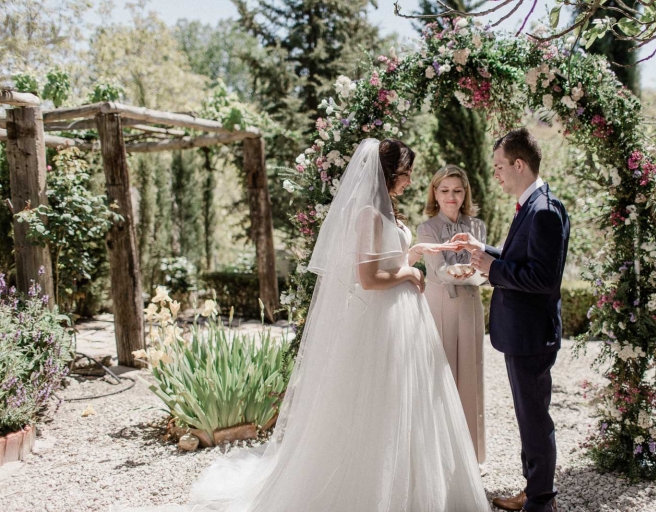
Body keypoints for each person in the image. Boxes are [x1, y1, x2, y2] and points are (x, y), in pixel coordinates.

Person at [115, 139, 490, 512]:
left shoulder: (389, 213)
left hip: (404, 318)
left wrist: (415, 254)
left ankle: (413, 484)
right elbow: (369, 278)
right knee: (379, 400)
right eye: (405, 174)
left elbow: (389, 259)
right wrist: (410, 272)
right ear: (390, 173)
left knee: (408, 400)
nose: (409, 181)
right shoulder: (369, 215)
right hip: (383, 318)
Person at [452, 128, 570, 512]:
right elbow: (521, 257)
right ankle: (533, 489)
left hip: (531, 335)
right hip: (522, 333)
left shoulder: (545, 210)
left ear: (520, 164)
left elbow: (542, 278)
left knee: (535, 420)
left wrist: (493, 269)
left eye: (500, 166)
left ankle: (541, 502)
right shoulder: (532, 204)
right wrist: (482, 250)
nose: (496, 174)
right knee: (528, 415)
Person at [417, 164, 487, 465]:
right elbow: (436, 270)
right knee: (440, 377)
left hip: (471, 302)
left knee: (470, 375)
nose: (451, 196)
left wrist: (479, 272)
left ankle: (469, 456)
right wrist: (455, 271)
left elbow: (484, 264)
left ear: (465, 193)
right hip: (440, 304)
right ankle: (439, 456)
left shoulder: (478, 226)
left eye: (457, 191)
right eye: (444, 190)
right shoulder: (427, 228)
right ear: (435, 192)